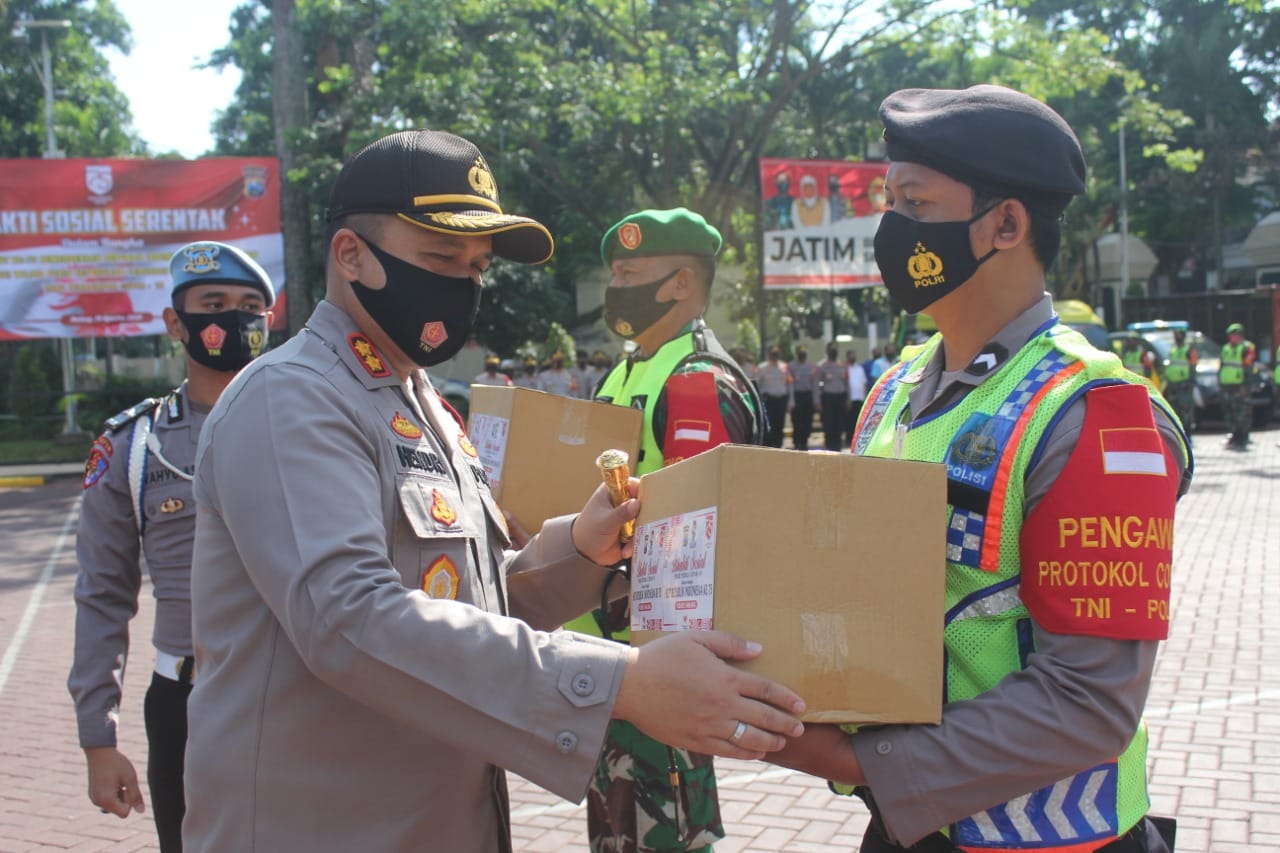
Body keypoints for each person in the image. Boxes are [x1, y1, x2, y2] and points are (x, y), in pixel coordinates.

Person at [182, 131, 804, 853]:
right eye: (441, 258)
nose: (464, 284)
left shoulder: (417, 401)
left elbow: (464, 596)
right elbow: (349, 618)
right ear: (350, 254)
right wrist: (619, 682)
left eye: (477, 266)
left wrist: (579, 549)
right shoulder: (292, 397)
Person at [770, 85, 1192, 853]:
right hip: (906, 824)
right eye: (890, 204)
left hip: (1050, 837)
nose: (892, 229)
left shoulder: (1090, 412)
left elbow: (1089, 701)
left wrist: (853, 758)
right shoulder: (895, 391)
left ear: (1006, 224)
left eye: (916, 204)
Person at [567, 207, 766, 852]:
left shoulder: (696, 380)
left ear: (681, 283)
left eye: (630, 274)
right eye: (614, 274)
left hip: (661, 653)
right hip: (615, 647)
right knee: (616, 830)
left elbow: (702, 534)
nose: (615, 287)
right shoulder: (628, 370)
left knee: (666, 834)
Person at [67, 241, 275, 853]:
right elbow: (103, 595)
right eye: (213, 305)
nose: (233, 319)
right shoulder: (136, 446)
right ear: (175, 323)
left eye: (250, 307)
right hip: (188, 701)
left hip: (305, 691)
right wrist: (98, 738)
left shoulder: (317, 424)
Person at [1219, 322, 1256, 449]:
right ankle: (1234, 435)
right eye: (1230, 335)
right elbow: (1222, 366)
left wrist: (1246, 386)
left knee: (1241, 412)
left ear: (1240, 335)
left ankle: (1242, 438)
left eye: (1234, 335)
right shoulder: (1226, 348)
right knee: (1230, 412)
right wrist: (1220, 382)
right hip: (1227, 385)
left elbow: (1248, 368)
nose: (1231, 337)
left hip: (1240, 386)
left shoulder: (1246, 348)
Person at [1163, 328, 1198, 434]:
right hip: (1173, 385)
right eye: (1175, 335)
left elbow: (1193, 366)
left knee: (1185, 411)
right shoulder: (1173, 350)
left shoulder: (1189, 350)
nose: (1177, 338)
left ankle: (1187, 433)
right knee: (1174, 411)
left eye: (1179, 335)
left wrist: (1191, 383)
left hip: (1184, 386)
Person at [817, 343, 849, 451]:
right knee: (828, 423)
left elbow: (846, 383)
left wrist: (848, 399)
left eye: (835, 350)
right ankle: (829, 445)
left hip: (840, 397)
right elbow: (816, 384)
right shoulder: (822, 366)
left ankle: (838, 445)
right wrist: (817, 401)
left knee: (839, 423)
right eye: (831, 350)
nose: (833, 352)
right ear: (827, 352)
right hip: (828, 398)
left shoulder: (842, 365)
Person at [757, 345, 792, 447]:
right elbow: (757, 384)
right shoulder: (762, 367)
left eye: (776, 354)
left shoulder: (784, 367)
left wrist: (791, 401)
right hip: (768, 400)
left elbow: (789, 384)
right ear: (769, 354)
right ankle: (769, 446)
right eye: (773, 354)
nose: (774, 356)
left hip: (781, 400)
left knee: (779, 425)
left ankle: (778, 446)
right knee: (769, 425)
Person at [788, 344, 818, 451]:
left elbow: (814, 384)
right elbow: (790, 384)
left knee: (807, 420)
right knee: (797, 421)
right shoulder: (791, 366)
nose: (802, 354)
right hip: (797, 395)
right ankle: (797, 442)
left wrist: (816, 400)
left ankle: (804, 441)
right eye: (801, 352)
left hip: (807, 395)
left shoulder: (811, 366)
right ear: (797, 354)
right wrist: (791, 401)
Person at [846, 348, 868, 448]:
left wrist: (864, 396)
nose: (853, 357)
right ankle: (849, 439)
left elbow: (864, 383)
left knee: (858, 420)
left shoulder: (859, 368)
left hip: (859, 398)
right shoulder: (845, 368)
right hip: (849, 399)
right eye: (851, 355)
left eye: (854, 355)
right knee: (849, 421)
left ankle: (857, 440)